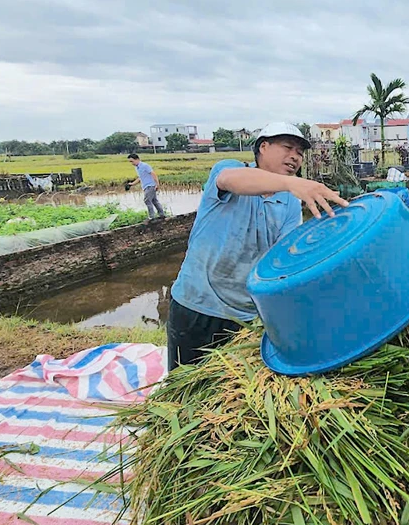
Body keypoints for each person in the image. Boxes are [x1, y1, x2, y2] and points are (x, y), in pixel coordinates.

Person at [166, 122, 347, 371]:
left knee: (224, 395)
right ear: (263, 147)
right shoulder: (231, 170)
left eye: (300, 153)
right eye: (287, 147)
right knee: (182, 388)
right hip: (196, 303)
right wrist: (292, 184)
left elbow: (283, 256)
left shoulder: (290, 203)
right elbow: (231, 180)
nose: (295, 157)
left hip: (244, 315)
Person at [126, 153, 166, 219]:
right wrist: (132, 184)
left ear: (137, 159)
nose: (131, 163)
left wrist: (157, 184)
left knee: (147, 200)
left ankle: (151, 217)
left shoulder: (144, 165)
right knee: (154, 201)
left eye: (132, 161)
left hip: (150, 185)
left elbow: (153, 174)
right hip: (145, 186)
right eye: (130, 162)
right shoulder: (137, 168)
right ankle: (162, 215)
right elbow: (140, 178)